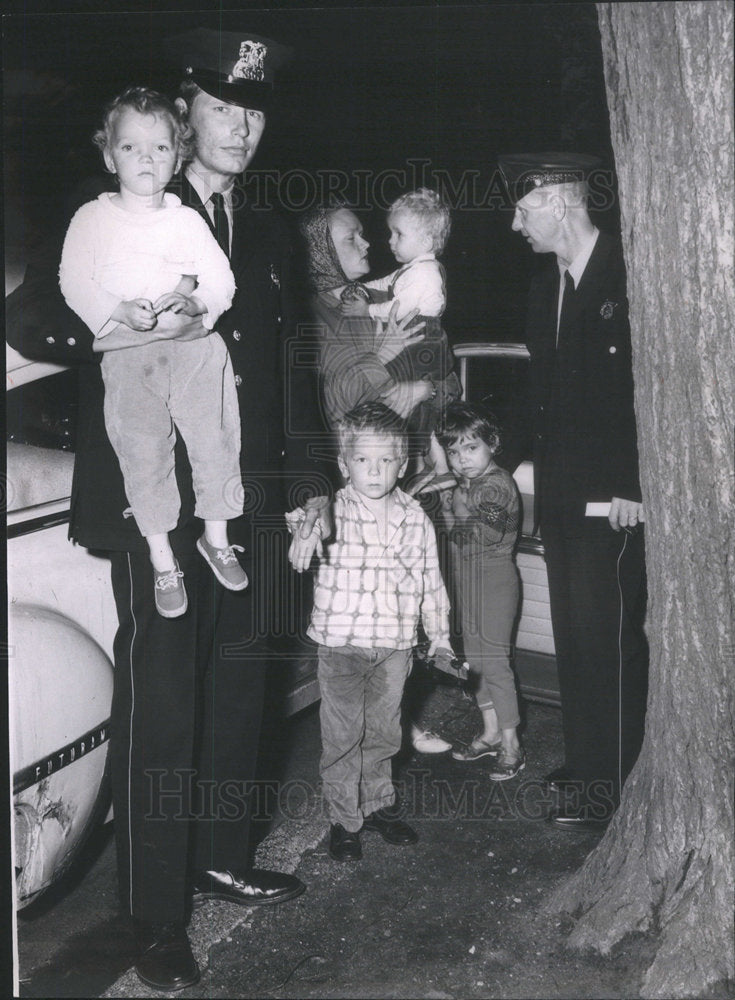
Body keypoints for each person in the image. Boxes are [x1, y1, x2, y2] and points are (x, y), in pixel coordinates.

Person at [6, 29, 305, 992]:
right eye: (223, 108)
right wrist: (114, 328)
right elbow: (32, 317)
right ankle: (153, 911)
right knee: (165, 702)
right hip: (154, 508)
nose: (242, 127)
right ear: (183, 117)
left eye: (254, 111)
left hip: (241, 497)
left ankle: (220, 853)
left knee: (236, 691)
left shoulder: (261, 224)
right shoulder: (132, 203)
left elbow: (282, 366)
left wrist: (310, 492)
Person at [497, 152, 649, 830]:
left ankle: (615, 776)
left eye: (522, 208)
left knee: (609, 636)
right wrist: (501, 461)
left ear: (558, 201)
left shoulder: (628, 273)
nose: (513, 223)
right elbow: (540, 397)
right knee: (572, 633)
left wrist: (630, 485)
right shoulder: (545, 285)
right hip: (560, 490)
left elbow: (649, 394)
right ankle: (590, 760)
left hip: (612, 498)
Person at [59, 86, 247, 618]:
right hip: (128, 356)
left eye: (160, 148)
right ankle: (163, 559)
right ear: (107, 154)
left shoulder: (186, 219)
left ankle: (217, 535)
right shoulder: (92, 219)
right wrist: (117, 310)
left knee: (216, 440)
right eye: (130, 147)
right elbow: (72, 281)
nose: (146, 158)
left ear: (178, 155)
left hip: (193, 350)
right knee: (144, 458)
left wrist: (195, 305)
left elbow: (220, 280)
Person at [299, 202, 456, 753]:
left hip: (404, 474)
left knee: (405, 601)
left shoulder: (374, 301)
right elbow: (333, 398)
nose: (368, 246)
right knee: (363, 610)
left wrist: (431, 389)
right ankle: (368, 743)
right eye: (352, 238)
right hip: (359, 481)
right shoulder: (314, 315)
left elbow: (440, 367)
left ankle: (398, 716)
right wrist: (385, 363)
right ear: (318, 249)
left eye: (370, 235)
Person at [303, 401, 453, 861]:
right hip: (341, 645)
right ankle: (344, 820)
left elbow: (431, 581)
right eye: (363, 460)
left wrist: (441, 636)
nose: (374, 471)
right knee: (344, 734)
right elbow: (302, 521)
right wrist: (304, 525)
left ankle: (378, 805)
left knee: (386, 733)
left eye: (386, 461)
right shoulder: (332, 511)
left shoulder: (416, 519)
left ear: (402, 463)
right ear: (343, 464)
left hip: (394, 644)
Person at [339, 188, 458, 486]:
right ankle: (426, 464)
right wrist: (365, 288)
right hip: (412, 341)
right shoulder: (411, 269)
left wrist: (366, 310)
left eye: (398, 234)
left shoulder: (427, 273)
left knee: (407, 404)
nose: (390, 241)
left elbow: (398, 307)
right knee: (407, 405)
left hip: (421, 342)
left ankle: (434, 465)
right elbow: (386, 282)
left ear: (427, 240)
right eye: (391, 233)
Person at [437, 403, 525, 780]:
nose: (461, 460)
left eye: (470, 448)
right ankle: (490, 733)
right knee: (475, 662)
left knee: (496, 663)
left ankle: (512, 745)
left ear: (493, 444)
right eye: (453, 452)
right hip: (467, 579)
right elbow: (456, 535)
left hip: (495, 580)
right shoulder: (467, 484)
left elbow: (488, 532)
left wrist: (454, 498)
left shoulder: (497, 485)